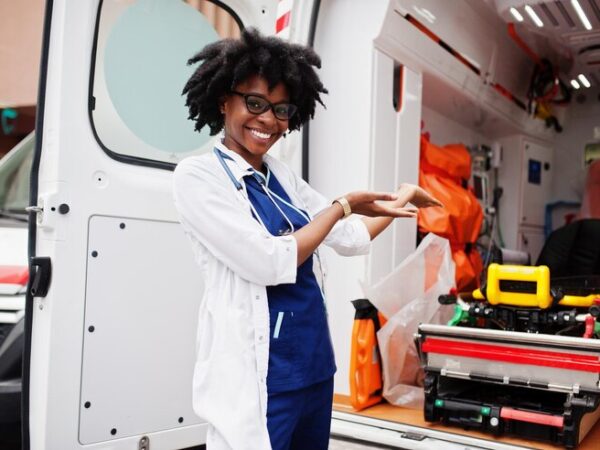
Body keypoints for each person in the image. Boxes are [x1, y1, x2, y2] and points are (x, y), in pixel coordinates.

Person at [173, 28, 441, 450]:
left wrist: (402, 198)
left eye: (281, 110)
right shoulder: (198, 177)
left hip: (314, 366)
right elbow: (268, 261)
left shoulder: (280, 176)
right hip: (262, 375)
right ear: (225, 100)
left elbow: (350, 237)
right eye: (255, 103)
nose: (268, 120)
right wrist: (342, 205)